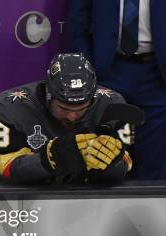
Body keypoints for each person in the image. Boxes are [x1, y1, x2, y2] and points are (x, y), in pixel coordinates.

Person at [0, 53, 134, 184]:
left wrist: (108, 162)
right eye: (63, 108)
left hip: (93, 200)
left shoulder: (113, 105)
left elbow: (126, 165)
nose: (72, 116)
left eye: (81, 109)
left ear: (93, 98)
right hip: (25, 203)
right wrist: (53, 159)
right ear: (48, 94)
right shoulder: (8, 106)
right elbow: (2, 170)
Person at [66, 0, 166, 180]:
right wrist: (88, 69)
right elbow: (77, 24)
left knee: (155, 156)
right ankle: (95, 202)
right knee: (98, 148)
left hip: (156, 73)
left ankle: (149, 204)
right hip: (108, 69)